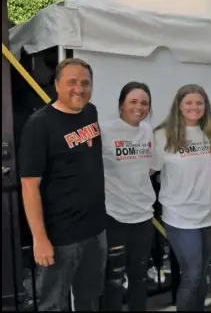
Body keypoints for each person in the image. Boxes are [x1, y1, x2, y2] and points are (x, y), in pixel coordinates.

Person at [19, 58, 107, 311]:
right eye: (72, 82)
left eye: (85, 83)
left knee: (90, 299)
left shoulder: (91, 112)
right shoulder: (40, 125)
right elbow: (29, 185)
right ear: (57, 84)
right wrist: (39, 238)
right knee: (53, 305)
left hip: (95, 230)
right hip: (61, 236)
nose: (79, 89)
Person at [152, 84, 211, 311]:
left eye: (199, 103)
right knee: (192, 274)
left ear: (206, 106)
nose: (194, 107)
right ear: (179, 106)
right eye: (189, 102)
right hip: (181, 217)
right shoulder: (163, 135)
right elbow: (146, 172)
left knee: (201, 274)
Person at [100, 82, 156, 311]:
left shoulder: (148, 130)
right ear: (121, 104)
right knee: (113, 280)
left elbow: (150, 169)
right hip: (114, 217)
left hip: (143, 216)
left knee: (139, 278)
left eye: (144, 103)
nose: (139, 107)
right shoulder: (105, 130)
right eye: (133, 101)